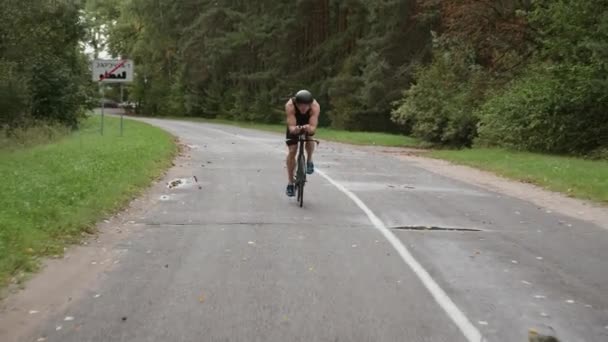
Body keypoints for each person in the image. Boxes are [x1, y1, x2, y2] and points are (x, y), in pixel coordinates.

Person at [285, 89, 320, 197]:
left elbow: (313, 128)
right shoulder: (290, 105)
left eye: (306, 106)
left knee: (309, 137)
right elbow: (291, 127)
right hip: (294, 122)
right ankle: (290, 183)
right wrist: (295, 129)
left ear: (310, 104)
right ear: (296, 103)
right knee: (292, 150)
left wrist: (309, 128)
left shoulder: (315, 106)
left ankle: (309, 160)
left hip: (308, 121)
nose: (303, 108)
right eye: (300, 106)